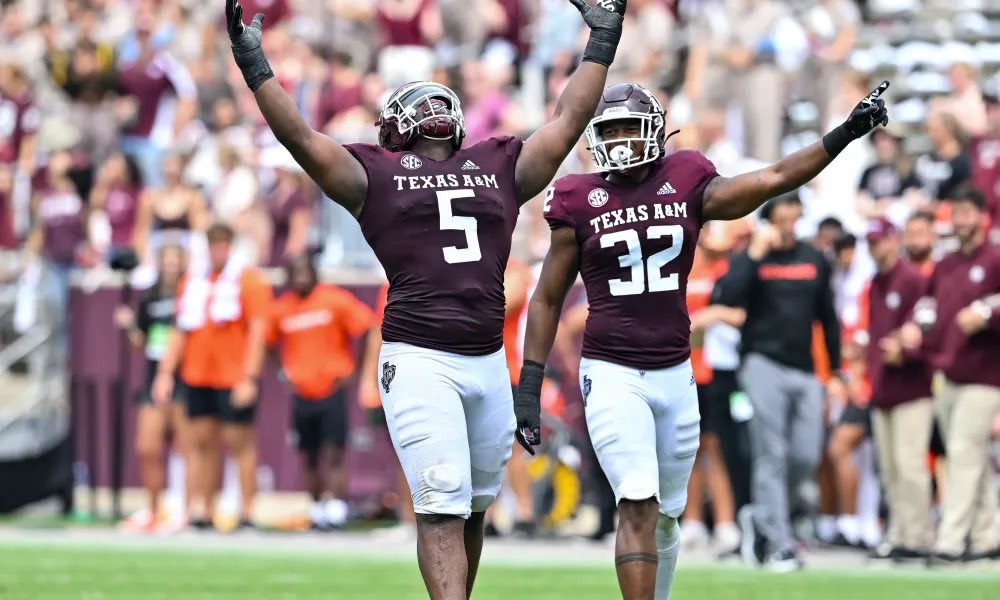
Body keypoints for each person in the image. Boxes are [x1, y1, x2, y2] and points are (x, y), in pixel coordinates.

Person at [224, 0, 627, 595]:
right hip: (420, 358)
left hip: (487, 360)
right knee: (440, 502)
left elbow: (569, 121)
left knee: (470, 509)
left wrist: (602, 41)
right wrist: (255, 66)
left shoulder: (487, 165)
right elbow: (298, 138)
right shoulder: (397, 174)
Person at [519, 79, 890, 598]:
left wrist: (845, 134)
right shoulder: (578, 198)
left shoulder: (687, 175)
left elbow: (775, 176)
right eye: (611, 130)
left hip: (675, 370)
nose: (622, 140)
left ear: (654, 130)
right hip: (611, 370)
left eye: (630, 127)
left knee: (668, 515)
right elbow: (546, 299)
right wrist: (529, 384)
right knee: (638, 500)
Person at [900, 187, 1000, 563]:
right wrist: (916, 327)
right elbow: (927, 304)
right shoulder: (946, 264)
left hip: (986, 375)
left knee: (961, 453)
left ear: (982, 217)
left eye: (965, 213)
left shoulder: (995, 259)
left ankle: (951, 541)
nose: (958, 221)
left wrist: (987, 313)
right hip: (949, 371)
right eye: (954, 214)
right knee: (969, 455)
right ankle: (988, 536)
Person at [153, 223, 272, 530]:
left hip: (233, 375)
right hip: (197, 374)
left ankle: (247, 511)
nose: (218, 250)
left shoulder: (248, 280)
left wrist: (250, 377)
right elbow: (179, 330)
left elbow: (259, 331)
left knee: (239, 443)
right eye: (213, 244)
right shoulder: (193, 282)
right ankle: (205, 510)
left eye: (223, 244)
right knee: (201, 443)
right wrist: (165, 373)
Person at [266, 255, 374, 530]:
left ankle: (335, 509)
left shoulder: (334, 299)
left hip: (331, 388)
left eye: (305, 272)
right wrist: (282, 372)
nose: (301, 278)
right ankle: (316, 509)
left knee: (335, 451)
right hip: (302, 391)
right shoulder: (283, 308)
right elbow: (267, 341)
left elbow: (367, 326)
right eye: (296, 273)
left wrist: (356, 368)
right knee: (309, 454)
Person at [861, 218, 933, 562]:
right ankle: (899, 532)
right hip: (884, 387)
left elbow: (928, 330)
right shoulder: (875, 282)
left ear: (894, 240)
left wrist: (906, 350)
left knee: (910, 464)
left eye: (880, 241)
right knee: (890, 468)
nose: (876, 248)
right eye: (871, 242)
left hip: (913, 387)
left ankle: (917, 536)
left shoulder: (913, 280)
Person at [113, 244, 192, 533]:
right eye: (166, 260)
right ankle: (154, 510)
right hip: (153, 377)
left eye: (176, 259)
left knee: (186, 448)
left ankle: (186, 511)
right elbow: (142, 341)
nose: (171, 265)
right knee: (147, 447)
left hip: (184, 378)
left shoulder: (190, 294)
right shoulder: (150, 297)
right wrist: (127, 325)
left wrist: (170, 371)